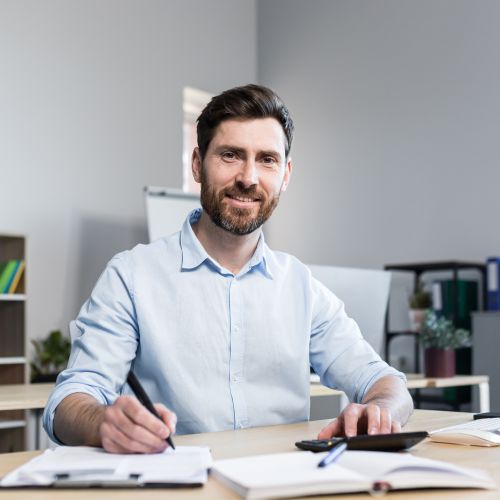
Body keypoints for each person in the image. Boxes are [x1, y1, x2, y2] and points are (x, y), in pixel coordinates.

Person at [43, 84, 413, 454]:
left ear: (285, 174)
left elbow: (387, 384)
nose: (248, 178)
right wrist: (104, 422)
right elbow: (68, 404)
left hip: (283, 485)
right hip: (177, 486)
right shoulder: (132, 276)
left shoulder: (301, 286)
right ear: (197, 165)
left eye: (266, 159)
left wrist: (379, 411)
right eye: (231, 155)